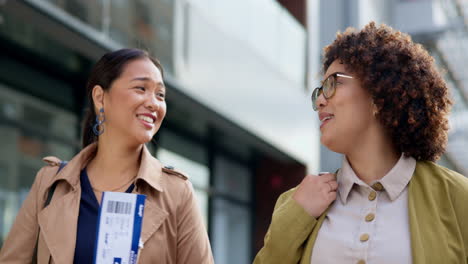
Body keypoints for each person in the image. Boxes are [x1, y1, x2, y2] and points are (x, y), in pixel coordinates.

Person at [254, 22, 468, 264]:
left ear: (379, 92)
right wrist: (296, 216)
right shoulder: (295, 203)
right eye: (319, 91)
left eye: (332, 84)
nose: (320, 101)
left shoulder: (458, 197)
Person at [0, 48, 214, 264]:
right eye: (141, 88)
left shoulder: (176, 192)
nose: (153, 103)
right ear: (100, 97)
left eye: (160, 94)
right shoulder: (49, 184)